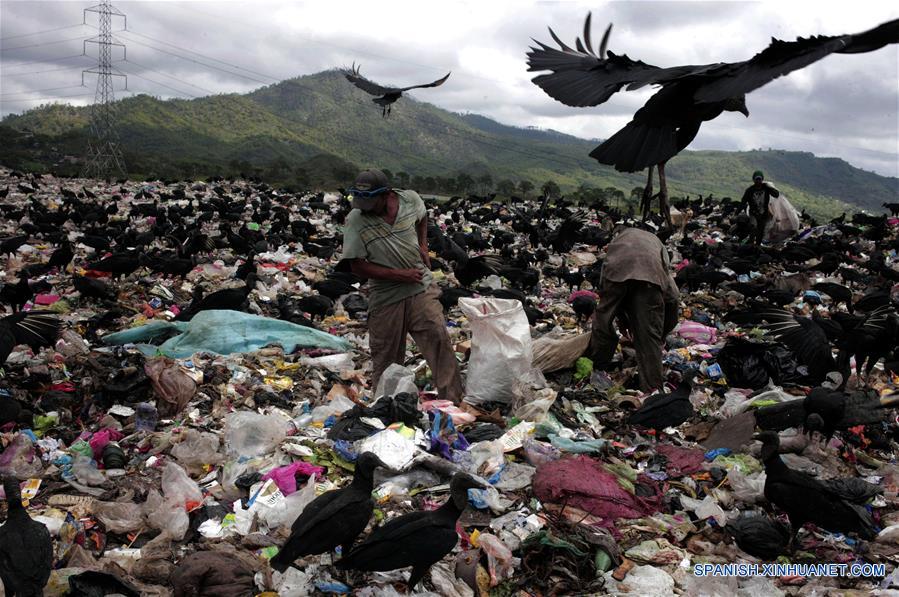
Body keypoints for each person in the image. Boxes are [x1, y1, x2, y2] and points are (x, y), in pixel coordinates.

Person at [341, 169, 464, 404]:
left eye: (370, 200)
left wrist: (423, 245)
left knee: (439, 340)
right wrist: (399, 275)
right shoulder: (356, 220)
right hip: (386, 296)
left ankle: (453, 404)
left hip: (420, 288)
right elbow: (356, 266)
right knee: (386, 357)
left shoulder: (410, 199)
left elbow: (422, 218)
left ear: (386, 194)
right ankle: (387, 408)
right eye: (360, 200)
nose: (364, 206)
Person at [588, 225, 680, 393]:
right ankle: (652, 390)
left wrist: (616, 314)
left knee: (602, 323)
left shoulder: (619, 239)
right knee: (649, 338)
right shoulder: (656, 243)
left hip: (615, 274)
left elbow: (607, 284)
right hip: (649, 280)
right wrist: (659, 333)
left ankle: (597, 367)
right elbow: (673, 297)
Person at [739, 170, 780, 245]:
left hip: (763, 214)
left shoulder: (766, 188)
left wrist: (770, 187)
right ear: (753, 180)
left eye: (759, 179)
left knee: (761, 231)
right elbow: (743, 201)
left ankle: (757, 245)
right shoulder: (750, 190)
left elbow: (776, 195)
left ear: (762, 179)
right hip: (753, 213)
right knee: (753, 227)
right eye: (756, 179)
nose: (758, 181)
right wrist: (737, 212)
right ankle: (751, 244)